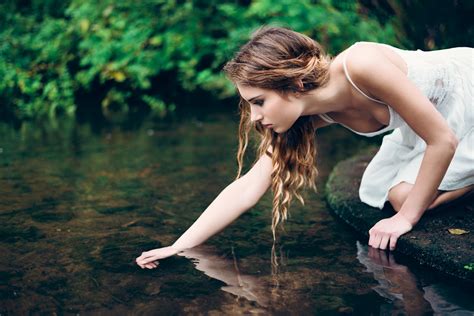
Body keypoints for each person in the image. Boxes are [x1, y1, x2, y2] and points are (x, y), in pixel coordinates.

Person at [136, 26, 474, 269]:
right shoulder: (306, 116)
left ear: (294, 83)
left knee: (404, 203)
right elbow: (247, 188)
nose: (254, 117)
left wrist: (405, 220)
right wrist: (179, 246)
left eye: (259, 102)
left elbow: (441, 139)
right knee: (382, 191)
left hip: (467, 100)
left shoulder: (362, 65)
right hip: (433, 125)